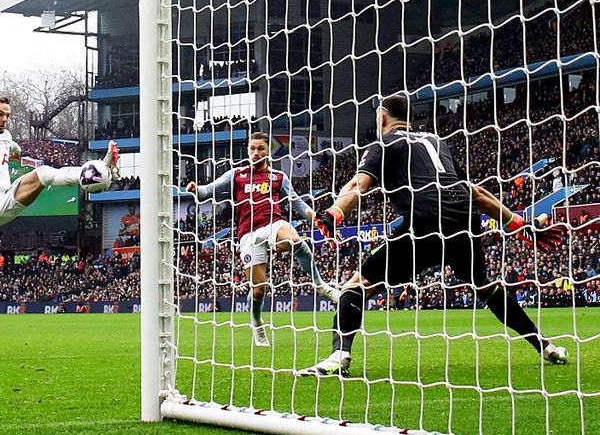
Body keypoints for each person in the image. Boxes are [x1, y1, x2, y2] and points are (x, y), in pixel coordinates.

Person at [302, 94, 568, 376]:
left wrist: (334, 213)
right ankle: (545, 346)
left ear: (382, 117)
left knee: (356, 286)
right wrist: (520, 225)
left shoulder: (385, 143)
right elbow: (475, 193)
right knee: (483, 286)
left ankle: (338, 355)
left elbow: (358, 184)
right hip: (463, 218)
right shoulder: (436, 142)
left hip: (426, 220)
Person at [0, 56, 119, 323]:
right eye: (0, 114)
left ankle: (91, 173)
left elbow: (11, 148)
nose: (4, 119)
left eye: (8, 115)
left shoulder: (6, 137)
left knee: (43, 174)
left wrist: (16, 151)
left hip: (4, 198)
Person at [186, 132, 339, 347]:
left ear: (268, 151)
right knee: (259, 290)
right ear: (248, 150)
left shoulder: (278, 177)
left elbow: (297, 203)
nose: (256, 153)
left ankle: (321, 286)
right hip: (248, 235)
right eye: (252, 149)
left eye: (261, 149)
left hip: (273, 224)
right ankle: (257, 323)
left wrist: (316, 218)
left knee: (295, 240)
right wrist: (196, 189)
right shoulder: (237, 175)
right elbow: (207, 192)